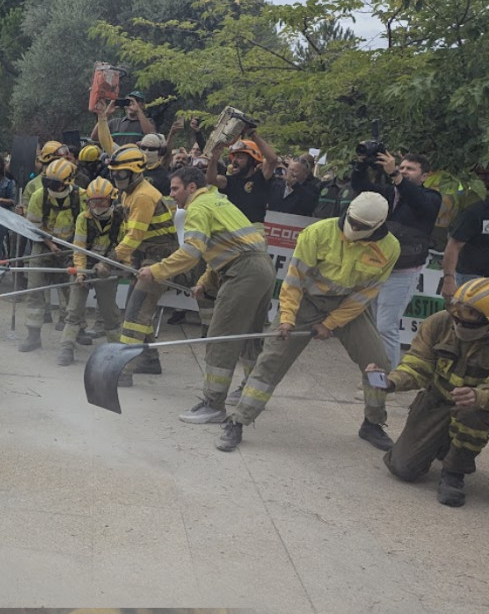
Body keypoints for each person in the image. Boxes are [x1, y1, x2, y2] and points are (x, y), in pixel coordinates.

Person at [215, 192, 399, 453]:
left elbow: (365, 294)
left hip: (348, 306)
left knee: (378, 364)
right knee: (271, 361)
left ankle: (373, 422)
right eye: (352, 222)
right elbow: (294, 280)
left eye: (362, 227)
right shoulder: (317, 233)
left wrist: (331, 324)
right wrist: (287, 319)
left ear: (378, 225)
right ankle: (238, 421)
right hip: (305, 302)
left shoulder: (390, 248)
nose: (354, 229)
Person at [135, 166, 275, 424]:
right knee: (249, 335)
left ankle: (213, 404)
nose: (171, 194)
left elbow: (191, 252)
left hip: (244, 272)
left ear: (191, 187)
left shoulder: (197, 208)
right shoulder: (218, 201)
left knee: (220, 337)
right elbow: (226, 248)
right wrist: (205, 281)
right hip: (262, 269)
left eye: (175, 188)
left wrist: (156, 271)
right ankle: (250, 391)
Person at [373, 277, 489, 507]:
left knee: (472, 412)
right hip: (440, 399)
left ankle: (455, 472)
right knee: (402, 467)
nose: (459, 322)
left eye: (470, 316)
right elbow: (417, 365)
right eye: (457, 311)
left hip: (485, 406)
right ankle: (444, 442)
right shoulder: (439, 323)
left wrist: (478, 396)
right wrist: (391, 382)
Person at [353, 150, 441, 368]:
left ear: (424, 176)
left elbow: (419, 202)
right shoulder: (389, 193)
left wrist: (395, 176)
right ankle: (373, 370)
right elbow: (360, 187)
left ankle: (387, 376)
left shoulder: (431, 197)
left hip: (404, 270)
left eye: (410, 169)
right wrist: (362, 164)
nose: (403, 171)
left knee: (385, 326)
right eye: (401, 167)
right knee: (372, 325)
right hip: (377, 268)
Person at [110, 144, 179, 384]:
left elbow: (134, 236)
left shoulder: (142, 195)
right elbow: (129, 232)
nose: (116, 178)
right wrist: (124, 257)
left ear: (135, 172)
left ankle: (123, 371)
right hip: (146, 255)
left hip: (160, 258)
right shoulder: (129, 192)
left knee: (135, 311)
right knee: (137, 306)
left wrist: (113, 258)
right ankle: (150, 361)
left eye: (121, 173)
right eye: (114, 173)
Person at [19, 158, 81, 353]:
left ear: (68, 182)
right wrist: (50, 244)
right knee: (35, 290)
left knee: (73, 292)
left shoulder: (82, 198)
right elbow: (34, 227)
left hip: (71, 247)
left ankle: (76, 331)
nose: (51, 186)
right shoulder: (39, 196)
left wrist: (72, 248)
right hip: (43, 246)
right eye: (48, 182)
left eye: (56, 183)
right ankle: (33, 335)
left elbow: (86, 226)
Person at [58, 177, 123, 365]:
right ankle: (66, 347)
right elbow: (78, 248)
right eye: (93, 201)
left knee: (109, 312)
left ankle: (115, 350)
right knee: (74, 309)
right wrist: (80, 272)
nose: (97, 206)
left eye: (102, 201)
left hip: (107, 268)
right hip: (85, 264)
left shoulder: (120, 219)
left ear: (111, 200)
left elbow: (123, 248)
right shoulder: (83, 218)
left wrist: (108, 265)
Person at [441, 186, 489, 300]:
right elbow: (453, 246)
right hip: (474, 278)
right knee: (472, 315)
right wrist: (448, 279)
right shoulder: (477, 212)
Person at [206, 133, 278, 225]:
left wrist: (252, 134)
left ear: (252, 160)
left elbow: (273, 160)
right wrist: (214, 159)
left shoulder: (261, 177)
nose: (234, 161)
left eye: (240, 157)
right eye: (234, 156)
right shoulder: (229, 181)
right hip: (233, 231)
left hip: (255, 232)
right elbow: (211, 179)